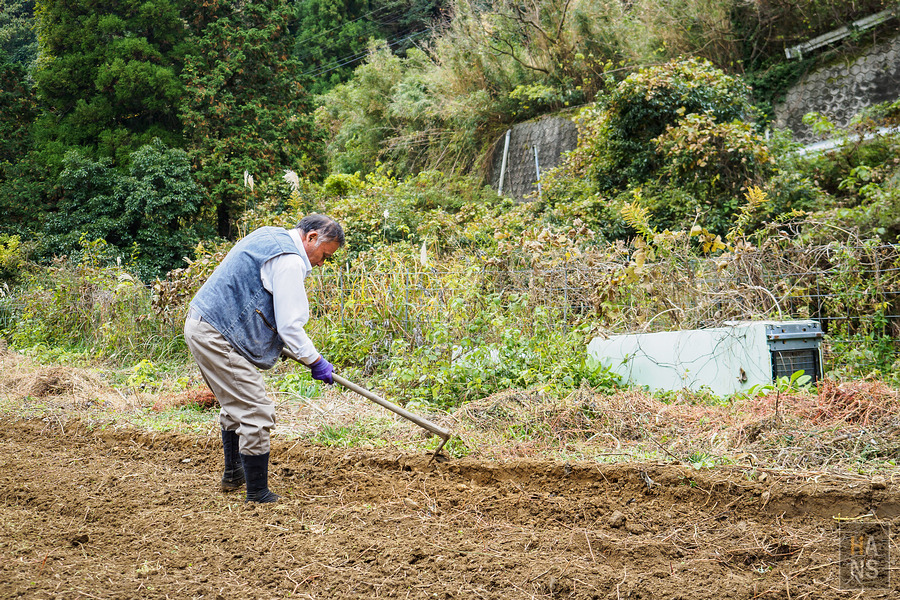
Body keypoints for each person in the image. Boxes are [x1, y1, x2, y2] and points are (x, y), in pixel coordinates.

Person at [184, 214, 345, 503]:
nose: (322, 263)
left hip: (205, 324)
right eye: (325, 255)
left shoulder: (270, 236)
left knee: (238, 403)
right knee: (256, 409)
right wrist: (315, 361)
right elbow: (290, 325)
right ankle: (257, 493)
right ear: (311, 238)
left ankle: (235, 474)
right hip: (217, 334)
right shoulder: (289, 260)